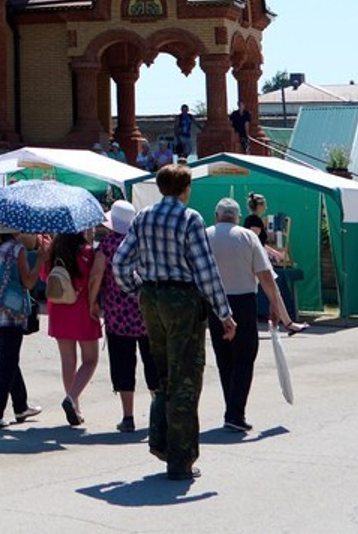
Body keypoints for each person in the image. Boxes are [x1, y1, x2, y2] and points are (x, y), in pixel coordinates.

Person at [112, 164, 236, 481]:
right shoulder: (189, 218)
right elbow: (205, 270)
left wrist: (139, 289)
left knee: (164, 374)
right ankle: (180, 460)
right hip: (182, 301)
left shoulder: (143, 216)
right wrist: (224, 313)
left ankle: (160, 441)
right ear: (185, 188)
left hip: (152, 298)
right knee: (186, 379)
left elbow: (120, 262)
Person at [206, 198, 299, 432]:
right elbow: (266, 277)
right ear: (237, 217)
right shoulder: (248, 237)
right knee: (244, 358)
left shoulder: (205, 234)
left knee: (224, 358)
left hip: (214, 303)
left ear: (217, 215)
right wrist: (283, 315)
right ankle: (235, 413)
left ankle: (232, 409)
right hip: (243, 302)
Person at [88, 200, 157, 432]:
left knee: (123, 364)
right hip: (146, 313)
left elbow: (96, 275)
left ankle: (128, 417)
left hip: (117, 316)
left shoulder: (107, 245)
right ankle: (158, 413)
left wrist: (92, 302)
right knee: (152, 363)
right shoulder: (144, 243)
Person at [0, 227, 45, 428]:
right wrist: (41, 261)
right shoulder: (17, 249)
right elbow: (27, 282)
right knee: (8, 364)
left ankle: (20, 406)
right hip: (11, 312)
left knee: (8, 361)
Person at [41, 229, 100, 428]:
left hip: (58, 309)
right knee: (90, 360)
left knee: (68, 360)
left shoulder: (53, 252)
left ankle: (74, 404)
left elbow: (44, 277)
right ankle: (72, 398)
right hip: (82, 308)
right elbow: (92, 279)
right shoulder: (87, 252)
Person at [243, 192, 300, 326]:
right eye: (265, 204)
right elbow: (255, 241)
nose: (266, 207)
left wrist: (274, 252)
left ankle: (284, 320)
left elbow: (258, 243)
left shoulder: (251, 219)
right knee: (272, 290)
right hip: (257, 259)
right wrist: (271, 253)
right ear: (259, 205)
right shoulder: (254, 221)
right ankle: (286, 321)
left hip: (257, 257)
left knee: (271, 290)